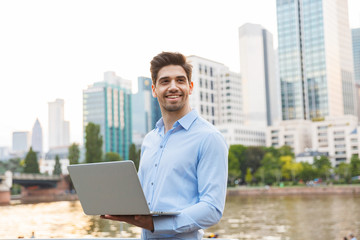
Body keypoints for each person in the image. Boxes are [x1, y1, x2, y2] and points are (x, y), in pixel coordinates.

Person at [101, 52, 228, 239]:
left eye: (180, 80)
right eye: (165, 81)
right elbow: (141, 197)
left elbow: (212, 208)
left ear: (190, 87)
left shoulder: (209, 138)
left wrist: (156, 224)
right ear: (154, 89)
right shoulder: (150, 140)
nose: (173, 87)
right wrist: (117, 203)